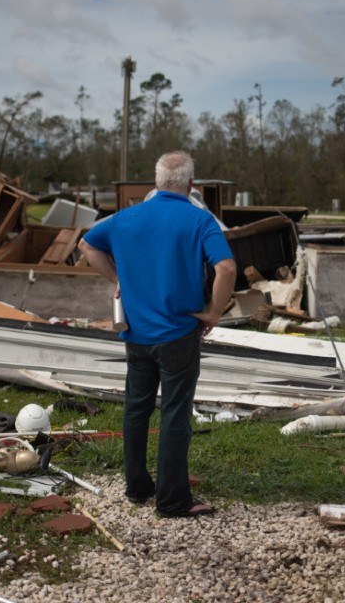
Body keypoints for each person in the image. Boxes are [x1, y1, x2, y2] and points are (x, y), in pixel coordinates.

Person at [79, 150, 236, 518]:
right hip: (179, 335)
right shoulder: (200, 220)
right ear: (190, 184)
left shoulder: (125, 218)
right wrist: (213, 312)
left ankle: (137, 487)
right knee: (175, 415)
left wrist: (119, 280)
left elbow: (87, 245)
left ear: (157, 181)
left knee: (136, 409)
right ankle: (172, 500)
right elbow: (226, 267)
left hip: (136, 334)